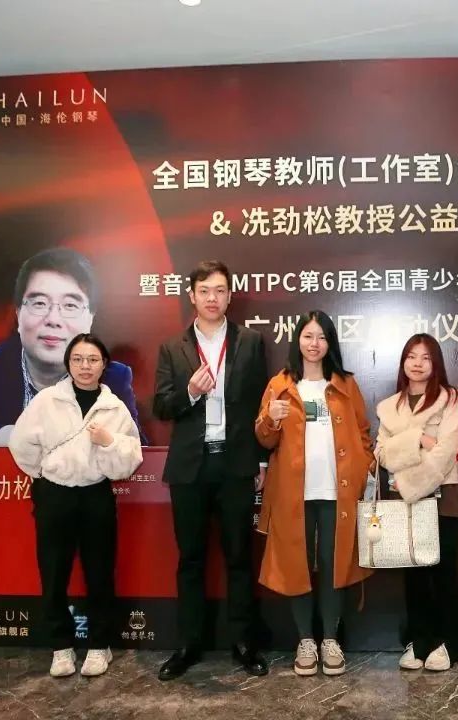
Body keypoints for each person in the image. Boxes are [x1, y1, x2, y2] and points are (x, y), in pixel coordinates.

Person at [152, 260, 270, 680]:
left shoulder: (250, 342)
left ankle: (244, 644)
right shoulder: (173, 347)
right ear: (192, 295)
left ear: (230, 295)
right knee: (191, 559)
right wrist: (189, 391)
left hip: (235, 464)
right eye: (204, 291)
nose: (212, 298)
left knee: (239, 557)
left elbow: (260, 402)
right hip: (190, 467)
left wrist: (261, 460)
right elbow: (161, 406)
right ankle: (189, 645)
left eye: (220, 290)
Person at [8, 333, 143, 678]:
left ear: (104, 365)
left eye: (93, 360)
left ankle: (100, 645)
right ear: (68, 363)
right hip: (54, 494)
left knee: (99, 572)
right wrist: (45, 474)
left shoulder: (114, 407)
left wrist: (108, 441)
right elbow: (20, 444)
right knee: (54, 573)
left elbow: (129, 460)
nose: (85, 366)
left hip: (95, 495)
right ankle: (61, 647)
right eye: (78, 359)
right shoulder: (47, 401)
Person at [254, 311, 373, 677]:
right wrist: (271, 418)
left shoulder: (346, 384)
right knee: (297, 566)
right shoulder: (280, 384)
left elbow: (363, 433)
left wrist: (362, 467)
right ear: (298, 340)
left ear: (330, 342)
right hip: (293, 494)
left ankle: (330, 640)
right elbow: (264, 438)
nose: (314, 343)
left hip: (337, 493)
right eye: (308, 336)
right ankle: (306, 639)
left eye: (322, 336)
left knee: (334, 564)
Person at [0, 247, 142, 447]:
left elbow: (137, 449)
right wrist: (6, 437)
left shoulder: (112, 379)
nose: (53, 319)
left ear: (90, 319)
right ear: (18, 313)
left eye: (70, 305)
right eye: (40, 303)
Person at [374, 333, 458, 673]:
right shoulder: (389, 406)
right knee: (413, 575)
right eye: (412, 356)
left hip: (441, 496)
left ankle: (448, 642)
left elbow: (446, 451)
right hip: (403, 501)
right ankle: (419, 640)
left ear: (435, 363)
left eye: (425, 357)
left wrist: (408, 481)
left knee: (443, 572)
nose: (418, 363)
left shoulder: (450, 399)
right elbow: (381, 452)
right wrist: (416, 438)